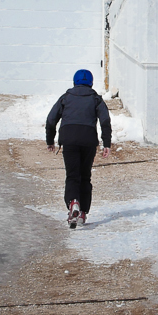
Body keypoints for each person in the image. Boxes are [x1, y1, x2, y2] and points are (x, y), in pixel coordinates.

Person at [45, 70, 111, 229]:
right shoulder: (96, 99)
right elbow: (105, 121)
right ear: (91, 83)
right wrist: (107, 144)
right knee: (85, 176)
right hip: (88, 140)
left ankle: (73, 202)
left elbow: (51, 119)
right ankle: (82, 212)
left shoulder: (66, 97)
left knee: (72, 175)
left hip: (69, 139)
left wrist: (50, 140)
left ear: (74, 82)